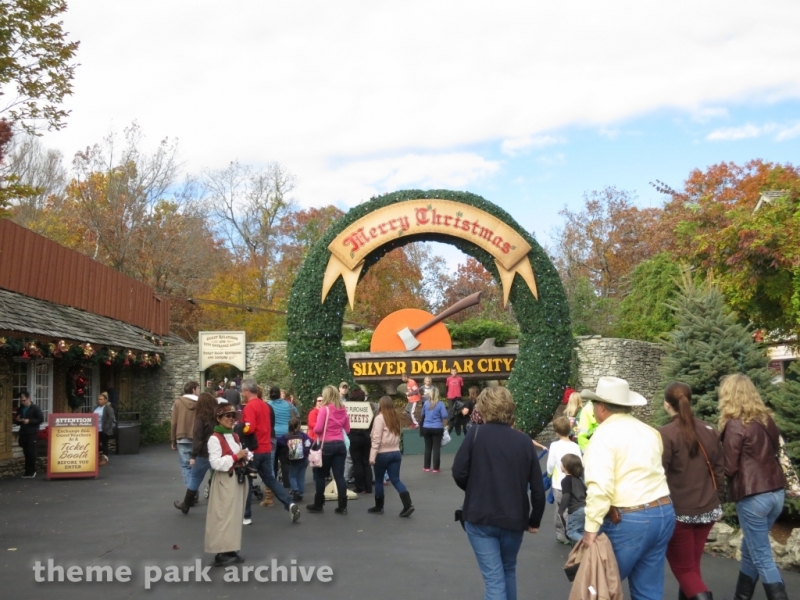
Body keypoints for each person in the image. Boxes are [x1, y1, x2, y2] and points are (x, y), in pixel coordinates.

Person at [581, 376, 674, 600]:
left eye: (594, 404)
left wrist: (590, 529)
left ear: (602, 407)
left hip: (630, 518)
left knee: (598, 588)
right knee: (648, 590)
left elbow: (600, 487)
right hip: (663, 510)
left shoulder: (602, 436)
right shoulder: (649, 431)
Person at [452, 386, 545, 600]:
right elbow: (537, 488)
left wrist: (476, 488)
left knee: (494, 581)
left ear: (483, 407)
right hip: (514, 516)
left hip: (480, 514)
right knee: (508, 571)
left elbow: (459, 471)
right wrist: (535, 520)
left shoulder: (475, 434)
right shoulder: (523, 441)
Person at [719, 374, 788, 600]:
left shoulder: (735, 425)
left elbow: (729, 467)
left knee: (761, 556)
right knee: (751, 549)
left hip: (753, 496)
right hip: (776, 492)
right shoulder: (767, 420)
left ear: (729, 395)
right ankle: (741, 596)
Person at [659, 382, 724, 600]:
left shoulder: (666, 434)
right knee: (692, 565)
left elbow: (659, 474)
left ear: (667, 404)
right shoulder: (709, 430)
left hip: (680, 511)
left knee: (684, 569)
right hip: (708, 508)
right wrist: (718, 498)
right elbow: (719, 469)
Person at [240, 379, 300, 525]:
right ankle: (289, 503)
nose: (242, 393)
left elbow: (250, 428)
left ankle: (246, 516)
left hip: (254, 450)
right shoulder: (265, 406)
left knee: (247, 482)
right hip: (267, 447)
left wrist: (239, 429)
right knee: (271, 480)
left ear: (247, 391)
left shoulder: (249, 407)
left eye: (242, 390)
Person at [205, 404, 250, 567]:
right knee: (223, 515)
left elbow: (239, 453)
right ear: (218, 418)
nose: (231, 419)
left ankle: (230, 549)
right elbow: (215, 463)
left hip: (237, 478)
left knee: (234, 515)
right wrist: (235, 456)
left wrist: (245, 455)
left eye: (233, 416)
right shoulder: (214, 438)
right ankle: (221, 552)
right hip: (225, 479)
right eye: (227, 416)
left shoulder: (234, 436)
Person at [307, 385, 352, 515]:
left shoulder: (324, 410)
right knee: (339, 476)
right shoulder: (343, 409)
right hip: (340, 444)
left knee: (320, 475)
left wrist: (315, 427)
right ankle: (342, 506)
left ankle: (318, 503)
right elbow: (347, 430)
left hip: (326, 445)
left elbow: (318, 429)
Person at [368, 395, 414, 517]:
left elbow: (376, 439)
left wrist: (372, 456)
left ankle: (379, 506)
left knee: (378, 480)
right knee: (395, 479)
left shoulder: (379, 418)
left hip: (382, 453)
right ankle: (408, 504)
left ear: (381, 405)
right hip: (396, 452)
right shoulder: (395, 418)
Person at [174, 392, 218, 514]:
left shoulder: (200, 418)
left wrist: (194, 455)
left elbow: (198, 438)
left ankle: (186, 504)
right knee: (218, 478)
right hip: (217, 451)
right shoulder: (217, 417)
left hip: (204, 453)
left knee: (195, 478)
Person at [546, 416, 582, 544]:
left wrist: (549, 474)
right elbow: (580, 463)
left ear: (556, 431)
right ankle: (573, 531)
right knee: (573, 508)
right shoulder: (575, 446)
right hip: (573, 484)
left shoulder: (554, 445)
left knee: (560, 508)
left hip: (559, 484)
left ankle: (561, 533)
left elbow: (550, 464)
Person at [269, 386, 300, 489]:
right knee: (286, 462)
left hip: (272, 436)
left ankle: (273, 485)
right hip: (287, 436)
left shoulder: (268, 405)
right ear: (279, 394)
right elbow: (297, 416)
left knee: (272, 462)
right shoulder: (289, 405)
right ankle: (288, 484)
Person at [172, 381, 200, 488]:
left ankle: (191, 494)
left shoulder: (178, 402)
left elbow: (174, 422)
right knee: (196, 467)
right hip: (197, 438)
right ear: (193, 389)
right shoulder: (200, 403)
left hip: (182, 437)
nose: (199, 390)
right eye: (198, 388)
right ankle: (193, 492)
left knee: (186, 466)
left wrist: (173, 439)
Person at [277, 417, 311, 502]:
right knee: (301, 476)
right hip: (304, 459)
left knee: (292, 475)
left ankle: (295, 490)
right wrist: (306, 452)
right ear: (299, 426)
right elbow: (310, 442)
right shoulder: (303, 435)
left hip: (294, 460)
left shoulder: (286, 437)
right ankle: (301, 494)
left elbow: (278, 441)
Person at [347, 388, 373, 494]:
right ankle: (368, 487)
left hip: (354, 437)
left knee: (357, 463)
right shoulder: (368, 407)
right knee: (366, 463)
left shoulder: (349, 408)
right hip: (366, 437)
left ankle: (360, 487)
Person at [559, 452, 587, 545]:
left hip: (575, 510)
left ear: (566, 466)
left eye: (561, 463)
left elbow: (566, 495)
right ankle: (584, 552)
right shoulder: (579, 479)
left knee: (571, 532)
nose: (560, 465)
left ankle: (591, 544)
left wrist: (561, 510)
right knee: (581, 531)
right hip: (584, 508)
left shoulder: (566, 480)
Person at [15, 391, 43, 479]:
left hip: (32, 432)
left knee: (31, 452)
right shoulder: (20, 409)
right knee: (26, 452)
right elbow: (16, 422)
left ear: (28, 399)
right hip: (23, 432)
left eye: (24, 400)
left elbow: (40, 419)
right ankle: (27, 471)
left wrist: (30, 421)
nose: (22, 402)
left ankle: (32, 471)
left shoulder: (35, 408)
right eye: (21, 401)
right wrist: (17, 420)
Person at [420, 386, 448, 473]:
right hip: (437, 427)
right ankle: (436, 468)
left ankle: (426, 467)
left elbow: (422, 414)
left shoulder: (426, 403)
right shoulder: (441, 404)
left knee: (427, 448)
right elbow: (445, 415)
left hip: (426, 427)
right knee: (436, 448)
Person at [94, 392, 116, 463]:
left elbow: (111, 418)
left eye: (101, 399)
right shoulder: (96, 408)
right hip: (96, 429)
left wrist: (106, 428)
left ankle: (105, 458)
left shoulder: (108, 408)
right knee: (96, 444)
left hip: (104, 430)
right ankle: (98, 457)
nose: (99, 401)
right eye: (98, 399)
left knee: (104, 444)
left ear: (105, 400)